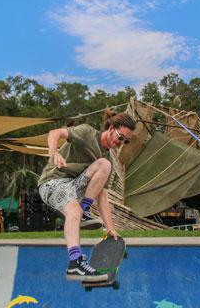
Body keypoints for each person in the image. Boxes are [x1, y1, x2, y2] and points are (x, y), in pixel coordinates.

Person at [37, 109, 136, 281]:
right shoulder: (87, 133)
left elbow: (103, 198)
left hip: (73, 186)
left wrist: (110, 229)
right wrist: (53, 151)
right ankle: (75, 262)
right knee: (74, 210)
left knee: (105, 165)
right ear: (111, 129)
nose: (121, 143)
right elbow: (55, 132)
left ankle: (84, 214)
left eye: (126, 141)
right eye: (121, 137)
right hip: (52, 183)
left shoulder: (108, 158)